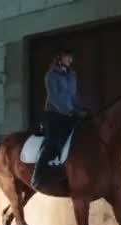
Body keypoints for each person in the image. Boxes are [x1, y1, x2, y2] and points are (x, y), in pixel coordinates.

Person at [31, 46, 89, 189]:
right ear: (59, 58)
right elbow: (54, 97)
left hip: (70, 114)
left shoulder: (72, 75)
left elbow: (73, 97)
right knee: (53, 143)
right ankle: (36, 176)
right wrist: (68, 111)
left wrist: (85, 108)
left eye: (71, 56)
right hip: (54, 114)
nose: (70, 59)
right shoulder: (51, 75)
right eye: (67, 56)